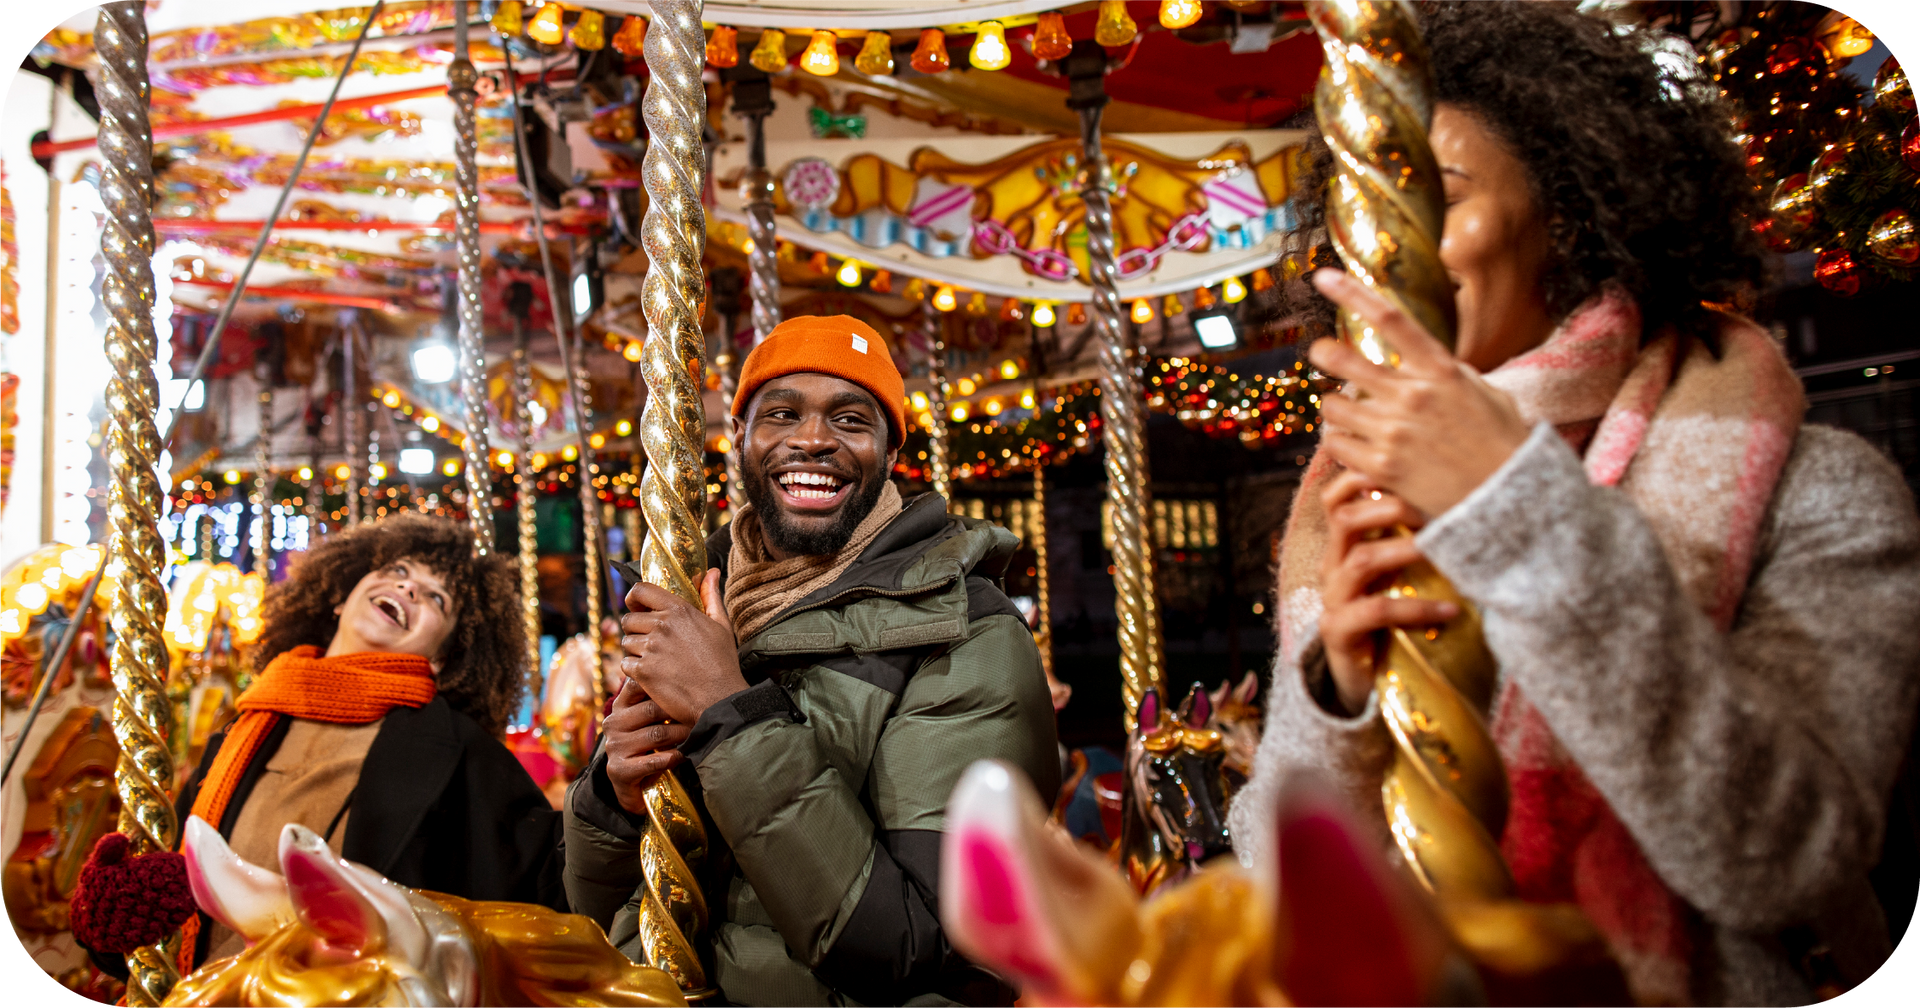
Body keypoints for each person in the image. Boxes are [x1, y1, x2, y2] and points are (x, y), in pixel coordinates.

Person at [1229, 3, 1920, 1007]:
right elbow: (1276, 889)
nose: (1386, 256)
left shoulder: (1820, 495)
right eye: (1365, 214)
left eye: (1438, 195)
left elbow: (1780, 855)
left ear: (1571, 214)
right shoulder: (1342, 502)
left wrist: (1515, 510)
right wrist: (1333, 696)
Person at [563, 315, 1060, 1008]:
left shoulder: (965, 633)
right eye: (781, 413)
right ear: (739, 439)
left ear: (889, 453)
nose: (812, 439)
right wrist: (611, 801)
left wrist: (729, 715)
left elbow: (920, 947)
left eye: (851, 419)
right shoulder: (695, 601)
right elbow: (593, 912)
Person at [70, 513, 564, 973]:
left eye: (437, 599)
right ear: (338, 598)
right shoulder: (246, 728)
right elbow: (163, 914)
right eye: (397, 570)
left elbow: (538, 902)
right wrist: (113, 917)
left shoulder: (461, 754)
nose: (408, 586)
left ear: (445, 658)